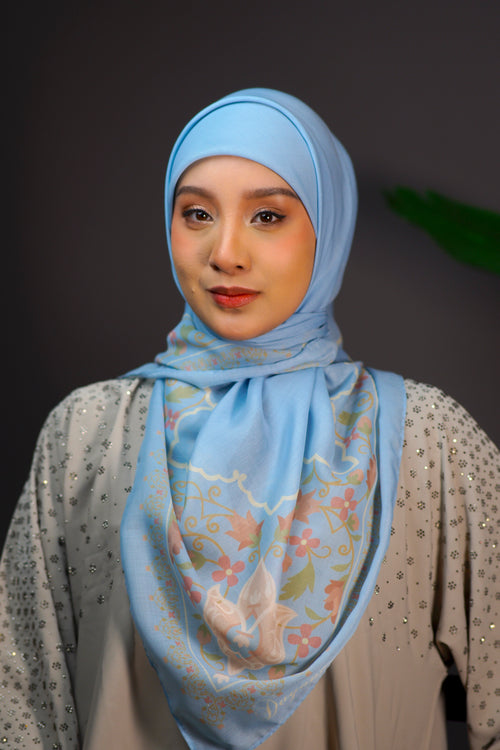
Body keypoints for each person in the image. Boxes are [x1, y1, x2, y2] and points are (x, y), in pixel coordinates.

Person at [0, 89, 498, 750]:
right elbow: (24, 707)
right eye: (197, 214)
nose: (225, 252)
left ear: (329, 225)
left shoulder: (428, 441)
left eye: (268, 216)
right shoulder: (86, 434)